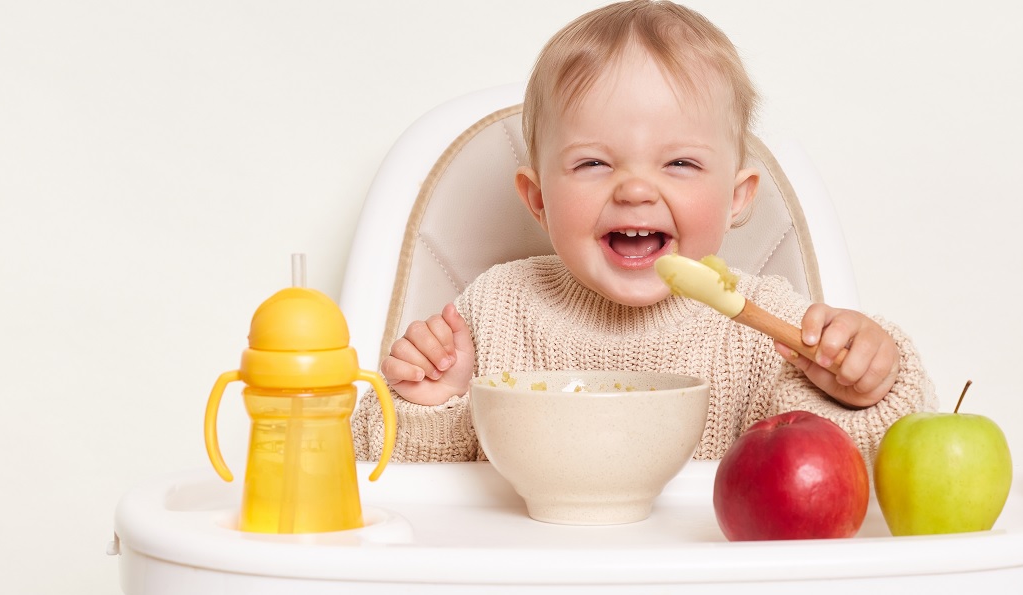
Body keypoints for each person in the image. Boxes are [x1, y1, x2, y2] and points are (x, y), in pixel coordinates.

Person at [353, 0, 935, 464]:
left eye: (679, 164)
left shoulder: (770, 330)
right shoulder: (493, 313)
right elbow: (375, 469)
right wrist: (432, 402)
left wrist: (863, 389)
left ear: (737, 198)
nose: (635, 189)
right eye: (593, 164)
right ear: (538, 200)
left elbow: (846, 470)